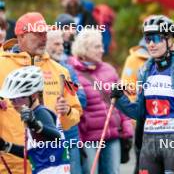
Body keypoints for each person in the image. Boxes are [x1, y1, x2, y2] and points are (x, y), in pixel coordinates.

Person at [111, 14, 174, 174]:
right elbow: (139, 112)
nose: (151, 44)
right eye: (148, 39)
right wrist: (120, 99)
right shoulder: (145, 71)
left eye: (157, 38)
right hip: (149, 142)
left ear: (170, 40)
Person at [0, 12, 82, 173]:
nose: (44, 38)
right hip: (10, 165)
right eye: (37, 34)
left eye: (45, 33)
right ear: (21, 36)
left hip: (49, 165)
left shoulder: (61, 71)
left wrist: (67, 111)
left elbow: (75, 115)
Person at [67, 29, 133, 174]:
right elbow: (73, 109)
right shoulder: (71, 73)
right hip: (89, 140)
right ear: (84, 48)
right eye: (97, 47)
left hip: (112, 137)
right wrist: (78, 141)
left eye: (101, 46)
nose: (102, 50)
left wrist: (127, 129)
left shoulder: (109, 70)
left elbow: (120, 101)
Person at [0, 66, 70, 174]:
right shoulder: (33, 116)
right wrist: (6, 146)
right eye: (11, 99)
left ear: (33, 96)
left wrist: (36, 125)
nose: (13, 102)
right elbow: (34, 153)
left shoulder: (41, 113)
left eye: (17, 98)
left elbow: (56, 137)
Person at [46, 30, 86, 174]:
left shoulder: (66, 70)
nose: (61, 48)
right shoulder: (35, 69)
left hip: (69, 138)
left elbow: (81, 98)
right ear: (44, 43)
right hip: (43, 140)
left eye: (62, 44)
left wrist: (66, 105)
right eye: (57, 44)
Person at [121, 37, 150, 174]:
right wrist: (134, 118)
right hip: (142, 119)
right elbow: (128, 87)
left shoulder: (172, 55)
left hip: (165, 120)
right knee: (141, 162)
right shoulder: (134, 59)